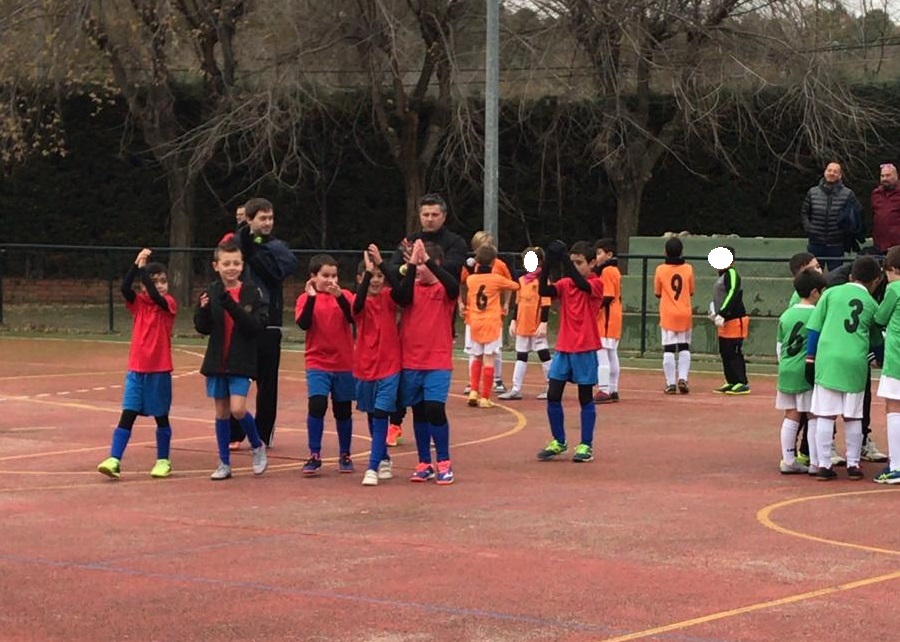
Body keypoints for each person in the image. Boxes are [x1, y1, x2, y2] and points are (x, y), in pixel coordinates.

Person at [387, 193, 468, 448]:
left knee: (431, 399)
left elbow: (452, 273)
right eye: (425, 214)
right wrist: (409, 266)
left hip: (439, 314)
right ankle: (395, 423)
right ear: (419, 216)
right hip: (410, 312)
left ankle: (437, 438)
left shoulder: (455, 242)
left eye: (435, 214)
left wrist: (424, 261)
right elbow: (392, 269)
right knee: (402, 377)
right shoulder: (410, 241)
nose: (430, 219)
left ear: (443, 216)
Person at [97, 249, 177, 480]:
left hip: (159, 370)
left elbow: (157, 296)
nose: (160, 285)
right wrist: (136, 265)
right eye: (155, 282)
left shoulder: (167, 304)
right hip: (136, 370)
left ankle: (163, 460)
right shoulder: (139, 303)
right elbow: (124, 288)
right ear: (142, 286)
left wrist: (144, 270)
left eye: (164, 281)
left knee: (161, 415)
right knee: (127, 414)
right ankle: (114, 459)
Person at [193, 240, 268, 481]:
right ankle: (223, 462)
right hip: (217, 361)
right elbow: (202, 327)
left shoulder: (251, 292)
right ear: (216, 265)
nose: (231, 268)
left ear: (242, 265)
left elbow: (253, 326)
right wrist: (202, 310)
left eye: (236, 263)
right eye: (226, 263)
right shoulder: (211, 291)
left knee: (238, 409)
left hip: (241, 361)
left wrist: (230, 303)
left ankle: (257, 445)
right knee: (222, 411)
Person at [805, 255, 883, 481]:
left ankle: (823, 464)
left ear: (850, 276)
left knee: (825, 416)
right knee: (853, 417)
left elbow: (814, 329)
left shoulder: (829, 293)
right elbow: (876, 340)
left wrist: (810, 358)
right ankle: (853, 464)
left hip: (828, 360)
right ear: (876, 280)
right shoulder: (871, 304)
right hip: (855, 362)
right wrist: (879, 358)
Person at [228, 197, 297, 449]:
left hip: (269, 323)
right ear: (248, 219)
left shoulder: (277, 247)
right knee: (237, 378)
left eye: (270, 218)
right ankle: (234, 432)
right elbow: (226, 270)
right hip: (241, 324)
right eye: (262, 218)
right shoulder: (234, 245)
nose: (267, 223)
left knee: (267, 383)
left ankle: (264, 433)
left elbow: (278, 273)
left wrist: (254, 253)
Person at [395, 240, 459, 485]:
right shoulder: (410, 288)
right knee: (419, 411)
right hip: (411, 360)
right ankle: (424, 462)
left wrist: (427, 260)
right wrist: (413, 263)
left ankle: (444, 460)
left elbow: (453, 285)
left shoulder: (444, 291)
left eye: (422, 264)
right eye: (415, 264)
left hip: (437, 360)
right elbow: (401, 297)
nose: (418, 268)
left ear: (436, 264)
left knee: (435, 409)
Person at [535, 240, 604, 463]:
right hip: (564, 347)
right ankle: (559, 440)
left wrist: (564, 259)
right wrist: (548, 262)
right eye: (573, 262)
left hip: (584, 347)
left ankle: (586, 444)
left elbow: (582, 285)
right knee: (553, 395)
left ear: (592, 263)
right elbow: (544, 290)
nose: (575, 266)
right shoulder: (566, 283)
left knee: (585, 397)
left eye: (579, 262)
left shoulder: (596, 283)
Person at [822, 249, 889, 465]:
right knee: (831, 408)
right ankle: (830, 448)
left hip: (852, 351)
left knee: (857, 404)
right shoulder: (835, 285)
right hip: (840, 348)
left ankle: (858, 444)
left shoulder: (883, 286)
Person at [295, 254, 356, 476]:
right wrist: (311, 297)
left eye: (334, 275)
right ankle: (314, 453)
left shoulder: (345, 295)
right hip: (317, 361)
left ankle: (345, 453)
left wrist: (340, 296)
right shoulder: (305, 299)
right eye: (325, 275)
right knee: (317, 405)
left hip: (343, 362)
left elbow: (353, 317)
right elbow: (304, 323)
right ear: (313, 277)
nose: (331, 280)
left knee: (343, 410)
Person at [353, 244, 403, 486]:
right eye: (370, 277)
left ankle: (371, 467)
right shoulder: (357, 301)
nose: (376, 281)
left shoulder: (389, 298)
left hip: (390, 365)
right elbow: (358, 304)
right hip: (365, 366)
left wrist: (382, 264)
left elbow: (399, 285)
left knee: (382, 412)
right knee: (373, 415)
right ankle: (382, 456)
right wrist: (369, 272)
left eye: (379, 277)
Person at [775, 268, 827, 475]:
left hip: (786, 369)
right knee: (813, 415)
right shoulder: (817, 314)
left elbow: (779, 346)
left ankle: (788, 459)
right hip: (806, 370)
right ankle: (815, 462)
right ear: (815, 292)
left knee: (791, 415)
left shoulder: (787, 314)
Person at [464, 244, 519, 409]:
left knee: (476, 356)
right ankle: (485, 397)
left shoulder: (470, 280)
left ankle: (474, 390)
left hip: (475, 322)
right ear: (494, 261)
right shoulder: (497, 279)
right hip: (492, 322)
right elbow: (515, 285)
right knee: (489, 359)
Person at [498, 247, 552, 401]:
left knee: (544, 354)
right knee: (521, 356)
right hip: (522, 325)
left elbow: (546, 304)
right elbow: (518, 303)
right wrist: (513, 321)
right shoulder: (521, 281)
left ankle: (551, 385)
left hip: (536, 326)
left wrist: (543, 323)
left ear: (540, 262)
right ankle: (516, 388)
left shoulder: (543, 281)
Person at [800, 161, 864, 272]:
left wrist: (847, 229)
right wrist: (808, 228)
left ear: (840, 175)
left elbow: (859, 213)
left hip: (836, 244)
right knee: (813, 277)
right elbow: (804, 212)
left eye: (835, 171)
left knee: (836, 277)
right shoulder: (812, 192)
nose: (831, 173)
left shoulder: (848, 194)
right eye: (829, 170)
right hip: (815, 242)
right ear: (825, 172)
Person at [653, 237, 695, 394]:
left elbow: (657, 293)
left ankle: (670, 383)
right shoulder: (688, 269)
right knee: (684, 347)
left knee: (669, 349)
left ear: (665, 252)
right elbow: (691, 291)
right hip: (684, 312)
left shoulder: (660, 270)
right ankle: (683, 378)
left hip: (668, 313)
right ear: (682, 252)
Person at [874, 245, 900, 483]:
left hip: (897, 357)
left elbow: (880, 317)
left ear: (893, 269)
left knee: (893, 408)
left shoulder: (894, 289)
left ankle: (896, 465)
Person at [710, 246, 750, 395]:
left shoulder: (732, 274)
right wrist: (714, 310)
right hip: (724, 321)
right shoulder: (721, 276)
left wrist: (723, 313)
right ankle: (731, 380)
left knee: (734, 351)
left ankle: (741, 382)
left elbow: (732, 293)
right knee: (725, 351)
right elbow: (719, 296)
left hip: (734, 319)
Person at [593, 238, 622, 404]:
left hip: (607, 317)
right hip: (614, 315)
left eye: (599, 253)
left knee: (602, 353)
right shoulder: (614, 270)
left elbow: (608, 295)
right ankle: (613, 388)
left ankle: (604, 389)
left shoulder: (607, 271)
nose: (597, 257)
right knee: (611, 354)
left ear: (609, 254)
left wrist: (596, 309)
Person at [871, 163, 900, 255]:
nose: (884, 179)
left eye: (888, 175)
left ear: (896, 176)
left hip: (897, 246)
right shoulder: (876, 194)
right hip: (879, 245)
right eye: (882, 176)